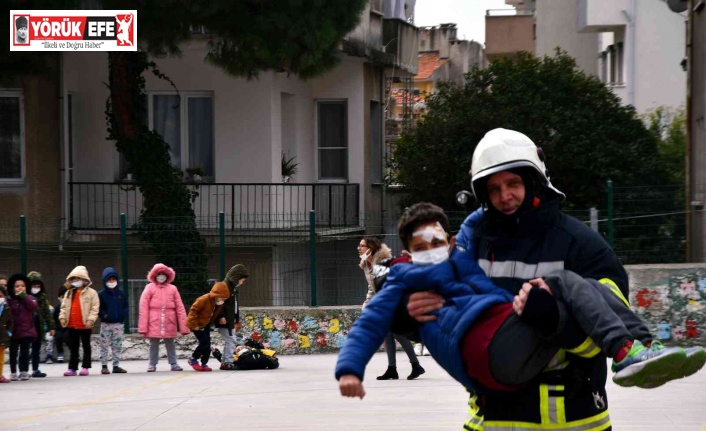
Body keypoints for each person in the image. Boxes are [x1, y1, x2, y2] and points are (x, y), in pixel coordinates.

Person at [405, 128, 706, 430]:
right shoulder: (475, 246)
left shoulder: (580, 243)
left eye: (513, 183)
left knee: (575, 285)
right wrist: (411, 321)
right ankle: (635, 349)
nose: (504, 196)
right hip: (490, 417)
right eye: (493, 189)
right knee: (564, 280)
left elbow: (604, 322)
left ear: (534, 181)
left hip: (573, 418)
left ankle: (639, 348)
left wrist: (553, 319)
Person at [336, 203, 703, 399]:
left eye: (436, 243)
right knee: (563, 280)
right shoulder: (403, 278)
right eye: (420, 248)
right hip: (488, 350)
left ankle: (646, 347)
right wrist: (350, 370)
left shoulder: (460, 258)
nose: (430, 252)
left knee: (589, 287)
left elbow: (471, 223)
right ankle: (625, 353)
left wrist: (512, 187)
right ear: (408, 253)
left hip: (507, 348)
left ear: (448, 243)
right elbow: (368, 323)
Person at [358, 236, 424, 380]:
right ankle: (393, 368)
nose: (359, 248)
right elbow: (372, 288)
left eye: (362, 245)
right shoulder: (366, 265)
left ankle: (415, 365)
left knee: (397, 333)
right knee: (388, 334)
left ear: (371, 249)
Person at [138, 263, 189, 372]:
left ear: (167, 275)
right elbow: (143, 307)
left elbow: (180, 307)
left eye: (163, 274)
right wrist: (143, 327)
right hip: (154, 321)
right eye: (159, 274)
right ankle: (152, 364)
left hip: (169, 321)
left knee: (170, 343)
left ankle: (174, 363)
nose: (161, 276)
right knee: (153, 343)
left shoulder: (173, 289)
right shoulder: (149, 288)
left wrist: (184, 326)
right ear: (154, 275)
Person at [59, 266, 99, 376]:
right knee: (74, 347)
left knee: (86, 346)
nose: (75, 281)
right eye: (73, 279)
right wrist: (62, 318)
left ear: (84, 279)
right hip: (72, 325)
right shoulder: (69, 293)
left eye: (78, 278)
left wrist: (90, 320)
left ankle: (85, 367)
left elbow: (94, 308)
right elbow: (63, 307)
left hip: (85, 325)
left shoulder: (92, 293)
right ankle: (72, 368)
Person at [185, 282, 230, 372]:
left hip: (206, 324)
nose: (223, 300)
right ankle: (193, 359)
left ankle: (204, 363)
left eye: (224, 299)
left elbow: (215, 313)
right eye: (222, 298)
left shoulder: (218, 303)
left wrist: (221, 317)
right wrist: (195, 326)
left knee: (208, 344)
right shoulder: (203, 299)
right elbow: (193, 311)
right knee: (204, 343)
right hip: (197, 324)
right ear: (216, 295)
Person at [214, 264, 249, 370]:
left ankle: (225, 361)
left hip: (230, 320)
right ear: (236, 277)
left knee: (230, 340)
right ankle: (227, 362)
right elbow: (218, 303)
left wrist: (236, 320)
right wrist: (221, 316)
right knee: (231, 340)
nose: (242, 283)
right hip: (224, 320)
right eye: (241, 280)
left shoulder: (232, 289)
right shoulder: (224, 287)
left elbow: (234, 307)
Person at [98, 267, 129, 374]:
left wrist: (123, 315)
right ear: (105, 281)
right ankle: (104, 366)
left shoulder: (121, 293)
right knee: (104, 345)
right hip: (106, 324)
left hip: (118, 324)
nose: (111, 282)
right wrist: (103, 314)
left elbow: (125, 306)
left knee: (117, 345)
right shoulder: (101, 294)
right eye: (109, 280)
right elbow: (98, 308)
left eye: (113, 280)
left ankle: (116, 366)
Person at [7, 274, 38, 381]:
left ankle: (24, 371)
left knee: (25, 352)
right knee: (13, 352)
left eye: (22, 286)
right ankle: (13, 372)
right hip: (13, 331)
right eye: (17, 286)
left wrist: (24, 296)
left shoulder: (29, 298)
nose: (20, 288)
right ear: (12, 288)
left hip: (26, 330)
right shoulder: (10, 300)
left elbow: (33, 306)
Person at [26, 271, 55, 377]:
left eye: (38, 286)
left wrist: (51, 326)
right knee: (25, 349)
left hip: (38, 326)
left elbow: (47, 313)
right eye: (34, 285)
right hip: (27, 327)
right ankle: (23, 371)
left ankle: (35, 369)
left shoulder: (42, 297)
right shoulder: (24, 297)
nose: (36, 288)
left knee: (36, 349)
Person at [0, 285, 14, 383]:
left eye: (1, 296)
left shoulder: (6, 308)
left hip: (2, 337)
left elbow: (10, 321)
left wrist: (8, 333)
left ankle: (0, 375)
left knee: (1, 359)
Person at [52, 286, 68, 363]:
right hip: (59, 328)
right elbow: (54, 319)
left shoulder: (70, 307)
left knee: (69, 336)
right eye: (62, 297)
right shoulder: (57, 307)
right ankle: (60, 353)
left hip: (68, 328)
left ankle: (74, 353)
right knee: (58, 337)